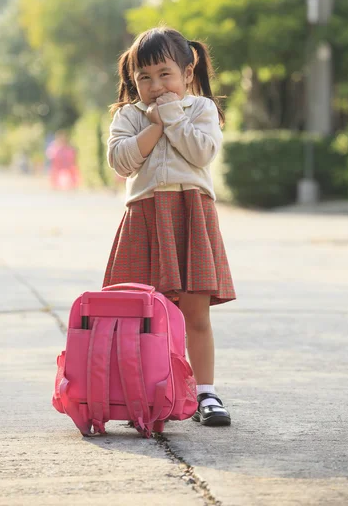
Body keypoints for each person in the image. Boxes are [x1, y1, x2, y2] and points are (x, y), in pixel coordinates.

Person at [104, 27, 236, 427]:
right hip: (144, 217)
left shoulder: (200, 109)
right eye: (144, 77)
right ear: (133, 81)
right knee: (142, 313)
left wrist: (173, 116)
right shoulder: (128, 116)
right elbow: (121, 161)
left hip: (191, 214)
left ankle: (205, 394)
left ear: (188, 69)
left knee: (195, 314)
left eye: (165, 74)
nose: (156, 85)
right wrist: (155, 125)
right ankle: (145, 392)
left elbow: (202, 151)